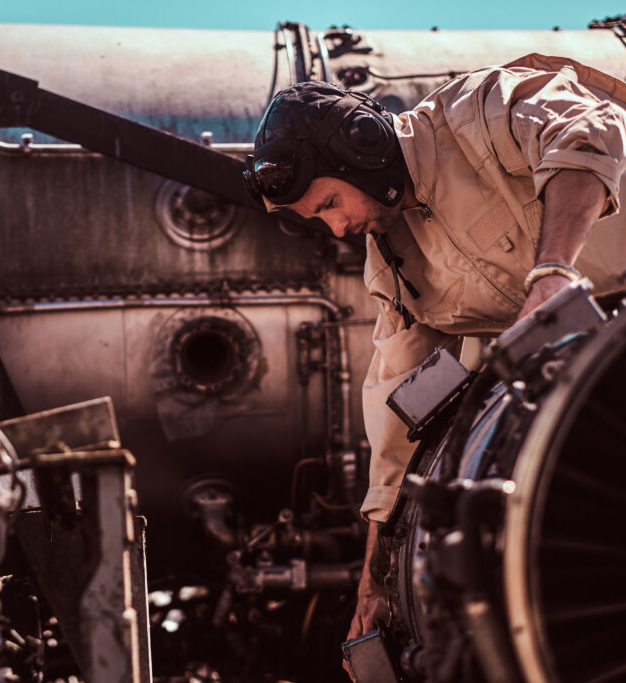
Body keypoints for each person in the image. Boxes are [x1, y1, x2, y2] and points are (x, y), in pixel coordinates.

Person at [242, 53, 626, 672]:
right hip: (594, 409)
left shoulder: (480, 110)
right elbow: (399, 415)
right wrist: (375, 576)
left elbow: (589, 130)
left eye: (330, 204)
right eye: (322, 219)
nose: (337, 228)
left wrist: (553, 274)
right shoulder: (390, 262)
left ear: (360, 151)